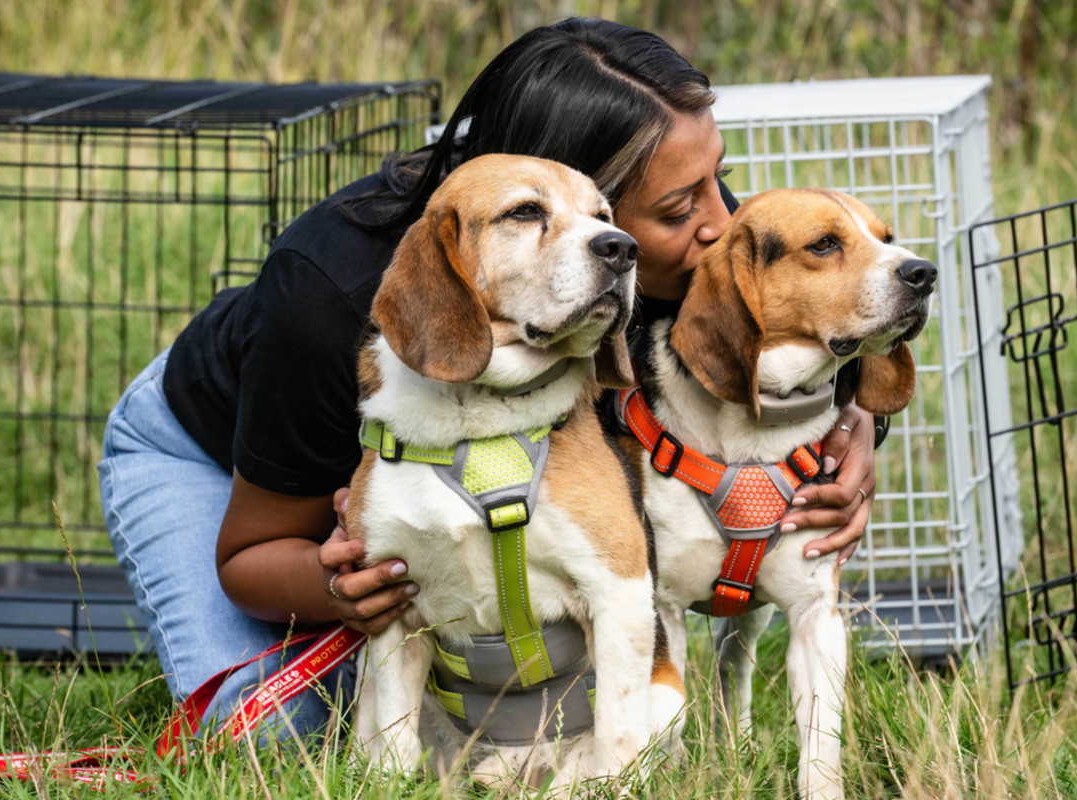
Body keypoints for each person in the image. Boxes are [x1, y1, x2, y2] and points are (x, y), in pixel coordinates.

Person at [97, 17, 878, 743]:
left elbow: (815, 331)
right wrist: (338, 586)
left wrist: (856, 432)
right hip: (239, 464)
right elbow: (252, 556)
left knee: (521, 716)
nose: (718, 225)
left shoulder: (672, 240)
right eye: (678, 206)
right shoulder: (327, 293)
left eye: (717, 181)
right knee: (286, 730)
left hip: (492, 451)